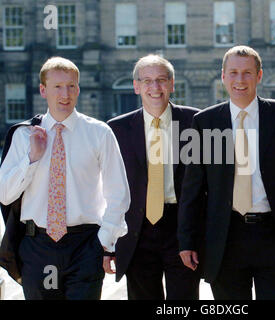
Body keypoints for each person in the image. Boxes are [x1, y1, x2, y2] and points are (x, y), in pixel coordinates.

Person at [178, 45, 275, 299]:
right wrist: (186, 240)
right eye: (234, 73)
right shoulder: (204, 123)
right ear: (223, 76)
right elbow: (192, 188)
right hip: (225, 238)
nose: (240, 80)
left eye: (247, 73)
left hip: (274, 235)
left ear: (259, 76)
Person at [0, 57, 130, 299]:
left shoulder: (100, 133)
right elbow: (5, 194)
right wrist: (31, 158)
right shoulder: (24, 135)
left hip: (85, 246)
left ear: (78, 89)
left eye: (71, 86)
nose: (65, 93)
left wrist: (103, 242)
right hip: (37, 246)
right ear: (43, 90)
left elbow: (119, 194)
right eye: (57, 86)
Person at [107, 55, 202, 300]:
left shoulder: (196, 122)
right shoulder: (116, 129)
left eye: (161, 80)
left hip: (181, 228)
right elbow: (107, 189)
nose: (155, 87)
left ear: (172, 84)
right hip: (136, 231)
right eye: (147, 81)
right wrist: (108, 242)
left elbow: (209, 184)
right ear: (136, 86)